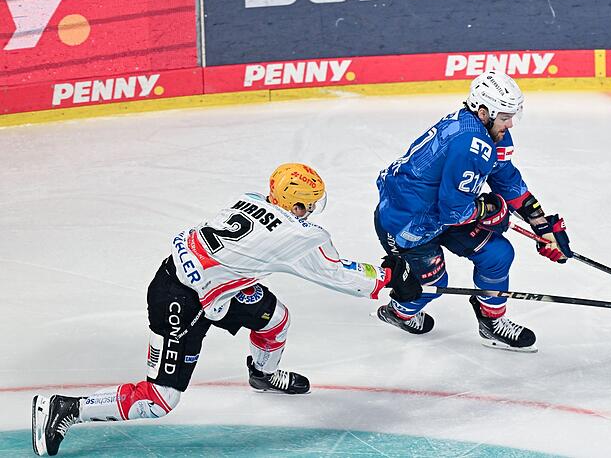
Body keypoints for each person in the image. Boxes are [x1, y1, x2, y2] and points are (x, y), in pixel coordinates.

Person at [31, 163, 421, 457]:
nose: (313, 208)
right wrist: (387, 277)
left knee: (275, 318)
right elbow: (339, 276)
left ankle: (262, 374)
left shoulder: (251, 201)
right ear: (295, 202)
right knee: (159, 399)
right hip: (180, 303)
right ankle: (66, 408)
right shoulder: (300, 235)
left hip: (214, 286)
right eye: (310, 202)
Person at [374, 70, 572, 353]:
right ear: (483, 112)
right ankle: (399, 312)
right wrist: (489, 211)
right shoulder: (470, 143)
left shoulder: (489, 132)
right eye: (505, 117)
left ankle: (491, 321)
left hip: (440, 213)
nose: (511, 124)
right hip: (406, 222)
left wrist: (541, 226)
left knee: (497, 254)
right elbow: (454, 211)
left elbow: (507, 180)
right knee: (433, 284)